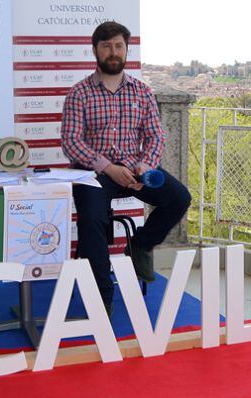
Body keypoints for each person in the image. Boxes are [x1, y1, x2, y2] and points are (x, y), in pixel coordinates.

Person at [61, 21, 191, 316]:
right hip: (94, 173)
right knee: (92, 218)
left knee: (179, 197)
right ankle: (102, 296)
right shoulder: (80, 93)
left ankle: (139, 245)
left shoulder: (142, 92)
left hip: (137, 169)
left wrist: (144, 167)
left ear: (126, 50)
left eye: (118, 46)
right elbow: (71, 142)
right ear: (95, 50)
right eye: (106, 46)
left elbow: (156, 136)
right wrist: (108, 167)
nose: (113, 52)